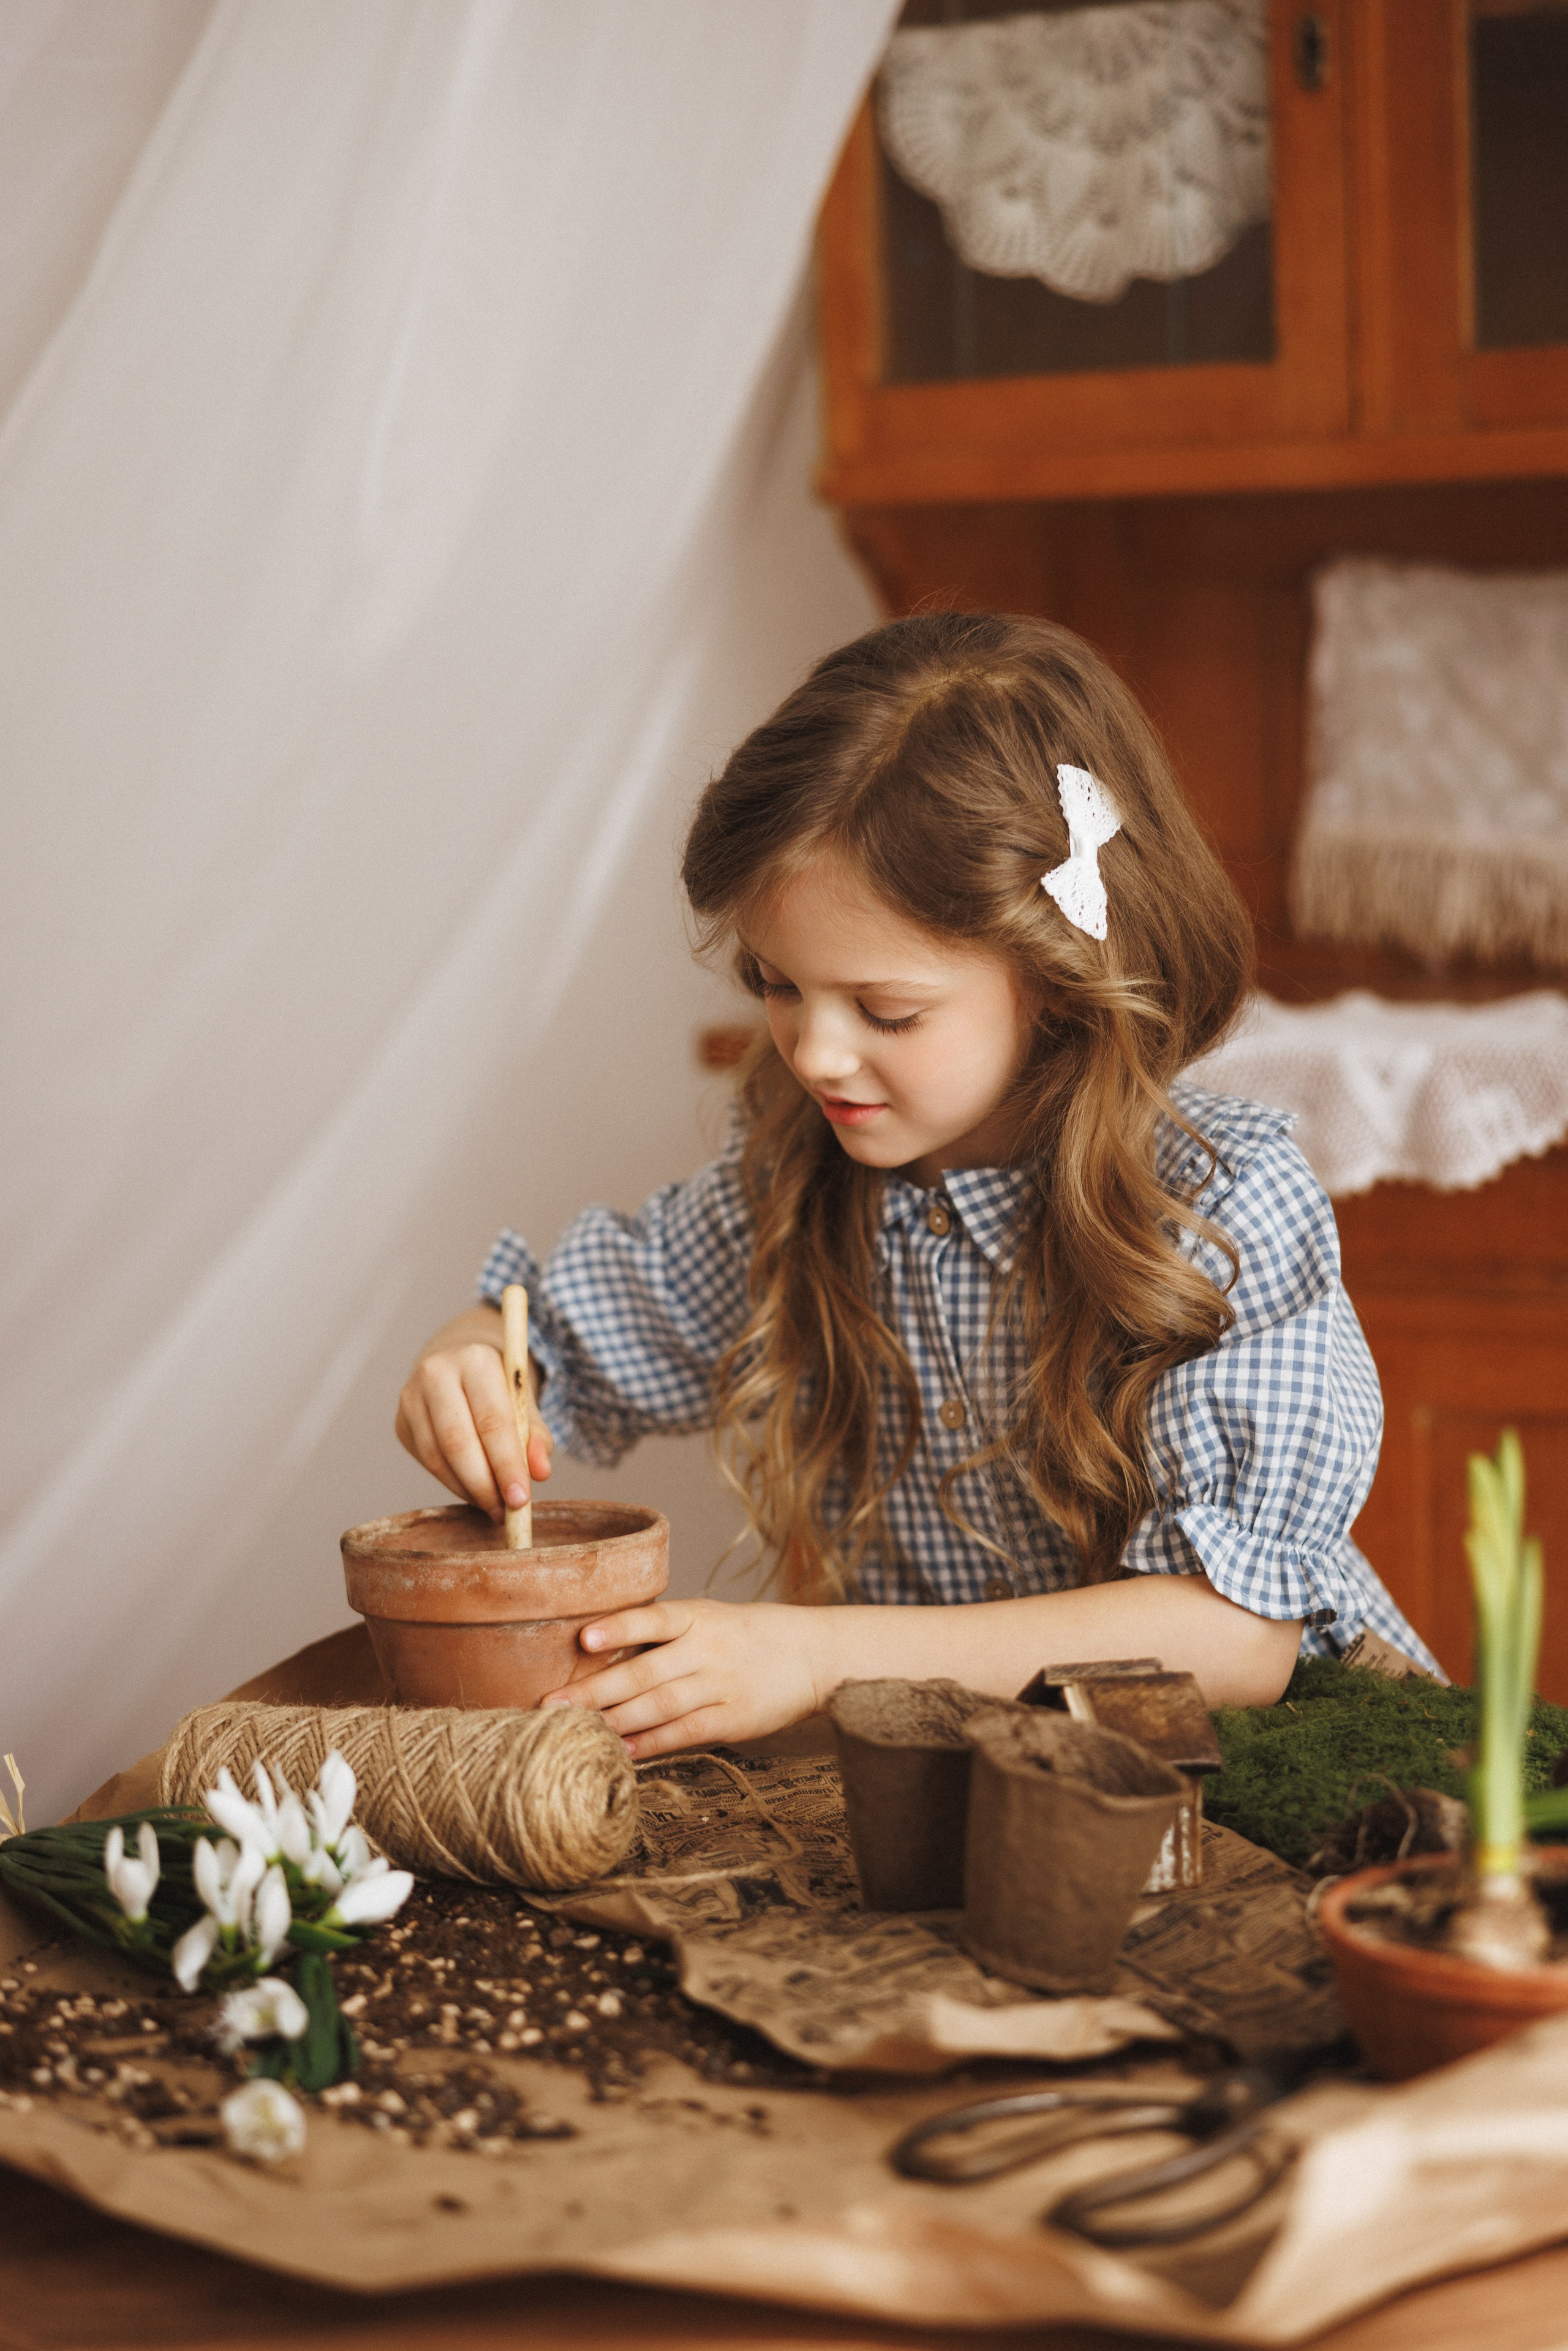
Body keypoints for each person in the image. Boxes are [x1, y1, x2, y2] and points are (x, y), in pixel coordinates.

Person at [396, 613, 1437, 1758]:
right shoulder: (795, 1193)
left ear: (1056, 977)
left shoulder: (1222, 1206)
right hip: (1012, 1796)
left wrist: (812, 1654)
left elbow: (1235, 1639)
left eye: (884, 1011)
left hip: (1300, 1782)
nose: (815, 1052)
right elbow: (545, 1340)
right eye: (776, 984)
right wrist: (477, 1371)